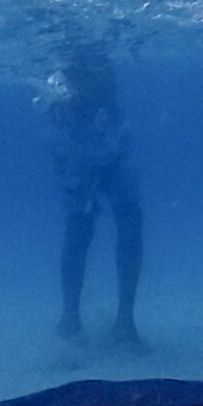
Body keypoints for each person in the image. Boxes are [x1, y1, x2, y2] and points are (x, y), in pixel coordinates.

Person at [43, 42, 145, 351]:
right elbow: (57, 105)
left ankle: (124, 321)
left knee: (129, 220)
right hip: (77, 147)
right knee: (80, 226)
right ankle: (71, 318)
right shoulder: (61, 76)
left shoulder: (95, 56)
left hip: (112, 140)